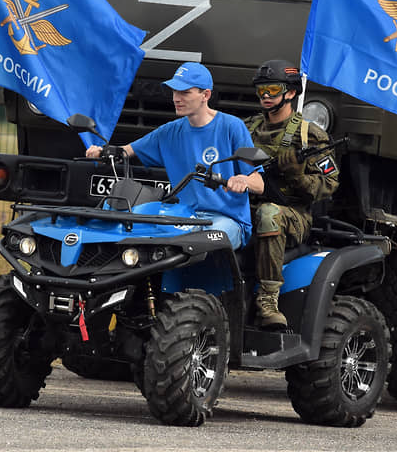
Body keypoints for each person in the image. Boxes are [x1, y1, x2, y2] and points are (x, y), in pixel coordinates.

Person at [86, 62, 263, 249]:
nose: (176, 98)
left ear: (206, 95)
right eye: (174, 92)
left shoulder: (232, 127)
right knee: (134, 234)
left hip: (226, 221)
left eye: (184, 92)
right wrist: (101, 151)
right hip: (181, 216)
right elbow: (125, 151)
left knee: (204, 242)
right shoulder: (169, 132)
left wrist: (243, 180)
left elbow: (259, 184)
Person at [245, 59, 340, 328]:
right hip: (244, 204)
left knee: (269, 214)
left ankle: (268, 300)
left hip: (293, 214)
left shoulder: (310, 136)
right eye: (261, 90)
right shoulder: (247, 129)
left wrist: (298, 176)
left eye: (272, 90)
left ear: (290, 93)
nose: (265, 96)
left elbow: (329, 184)